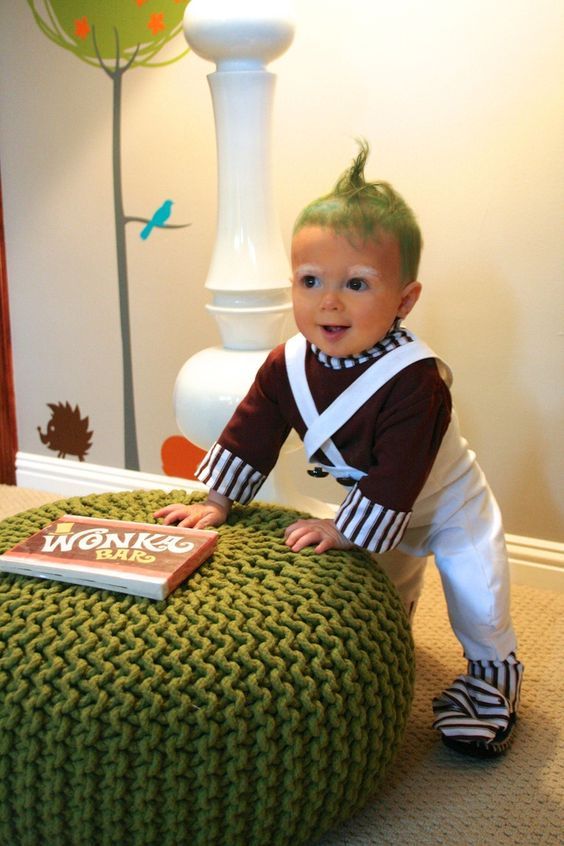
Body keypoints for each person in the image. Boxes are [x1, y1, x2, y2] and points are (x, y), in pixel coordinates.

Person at [155, 142, 523, 757]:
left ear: (404, 301)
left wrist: (352, 529)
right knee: (377, 599)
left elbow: (401, 470)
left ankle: (492, 690)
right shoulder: (287, 364)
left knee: (480, 601)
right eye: (311, 281)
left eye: (356, 283)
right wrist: (216, 499)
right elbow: (253, 429)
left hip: (445, 506)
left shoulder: (415, 379)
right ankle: (379, 668)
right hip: (375, 511)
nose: (329, 301)